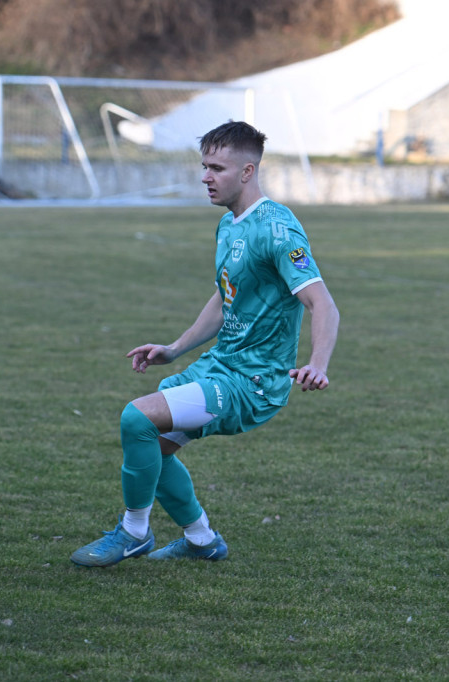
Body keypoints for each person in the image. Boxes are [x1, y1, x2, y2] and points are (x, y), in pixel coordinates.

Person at [71, 121, 339, 567]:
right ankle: (201, 540)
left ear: (248, 171)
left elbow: (323, 303)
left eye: (217, 168)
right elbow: (225, 295)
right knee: (151, 449)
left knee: (136, 418)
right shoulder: (229, 225)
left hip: (253, 382)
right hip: (219, 366)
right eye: (204, 166)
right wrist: (175, 349)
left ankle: (133, 532)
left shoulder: (277, 229)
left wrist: (318, 363)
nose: (206, 176)